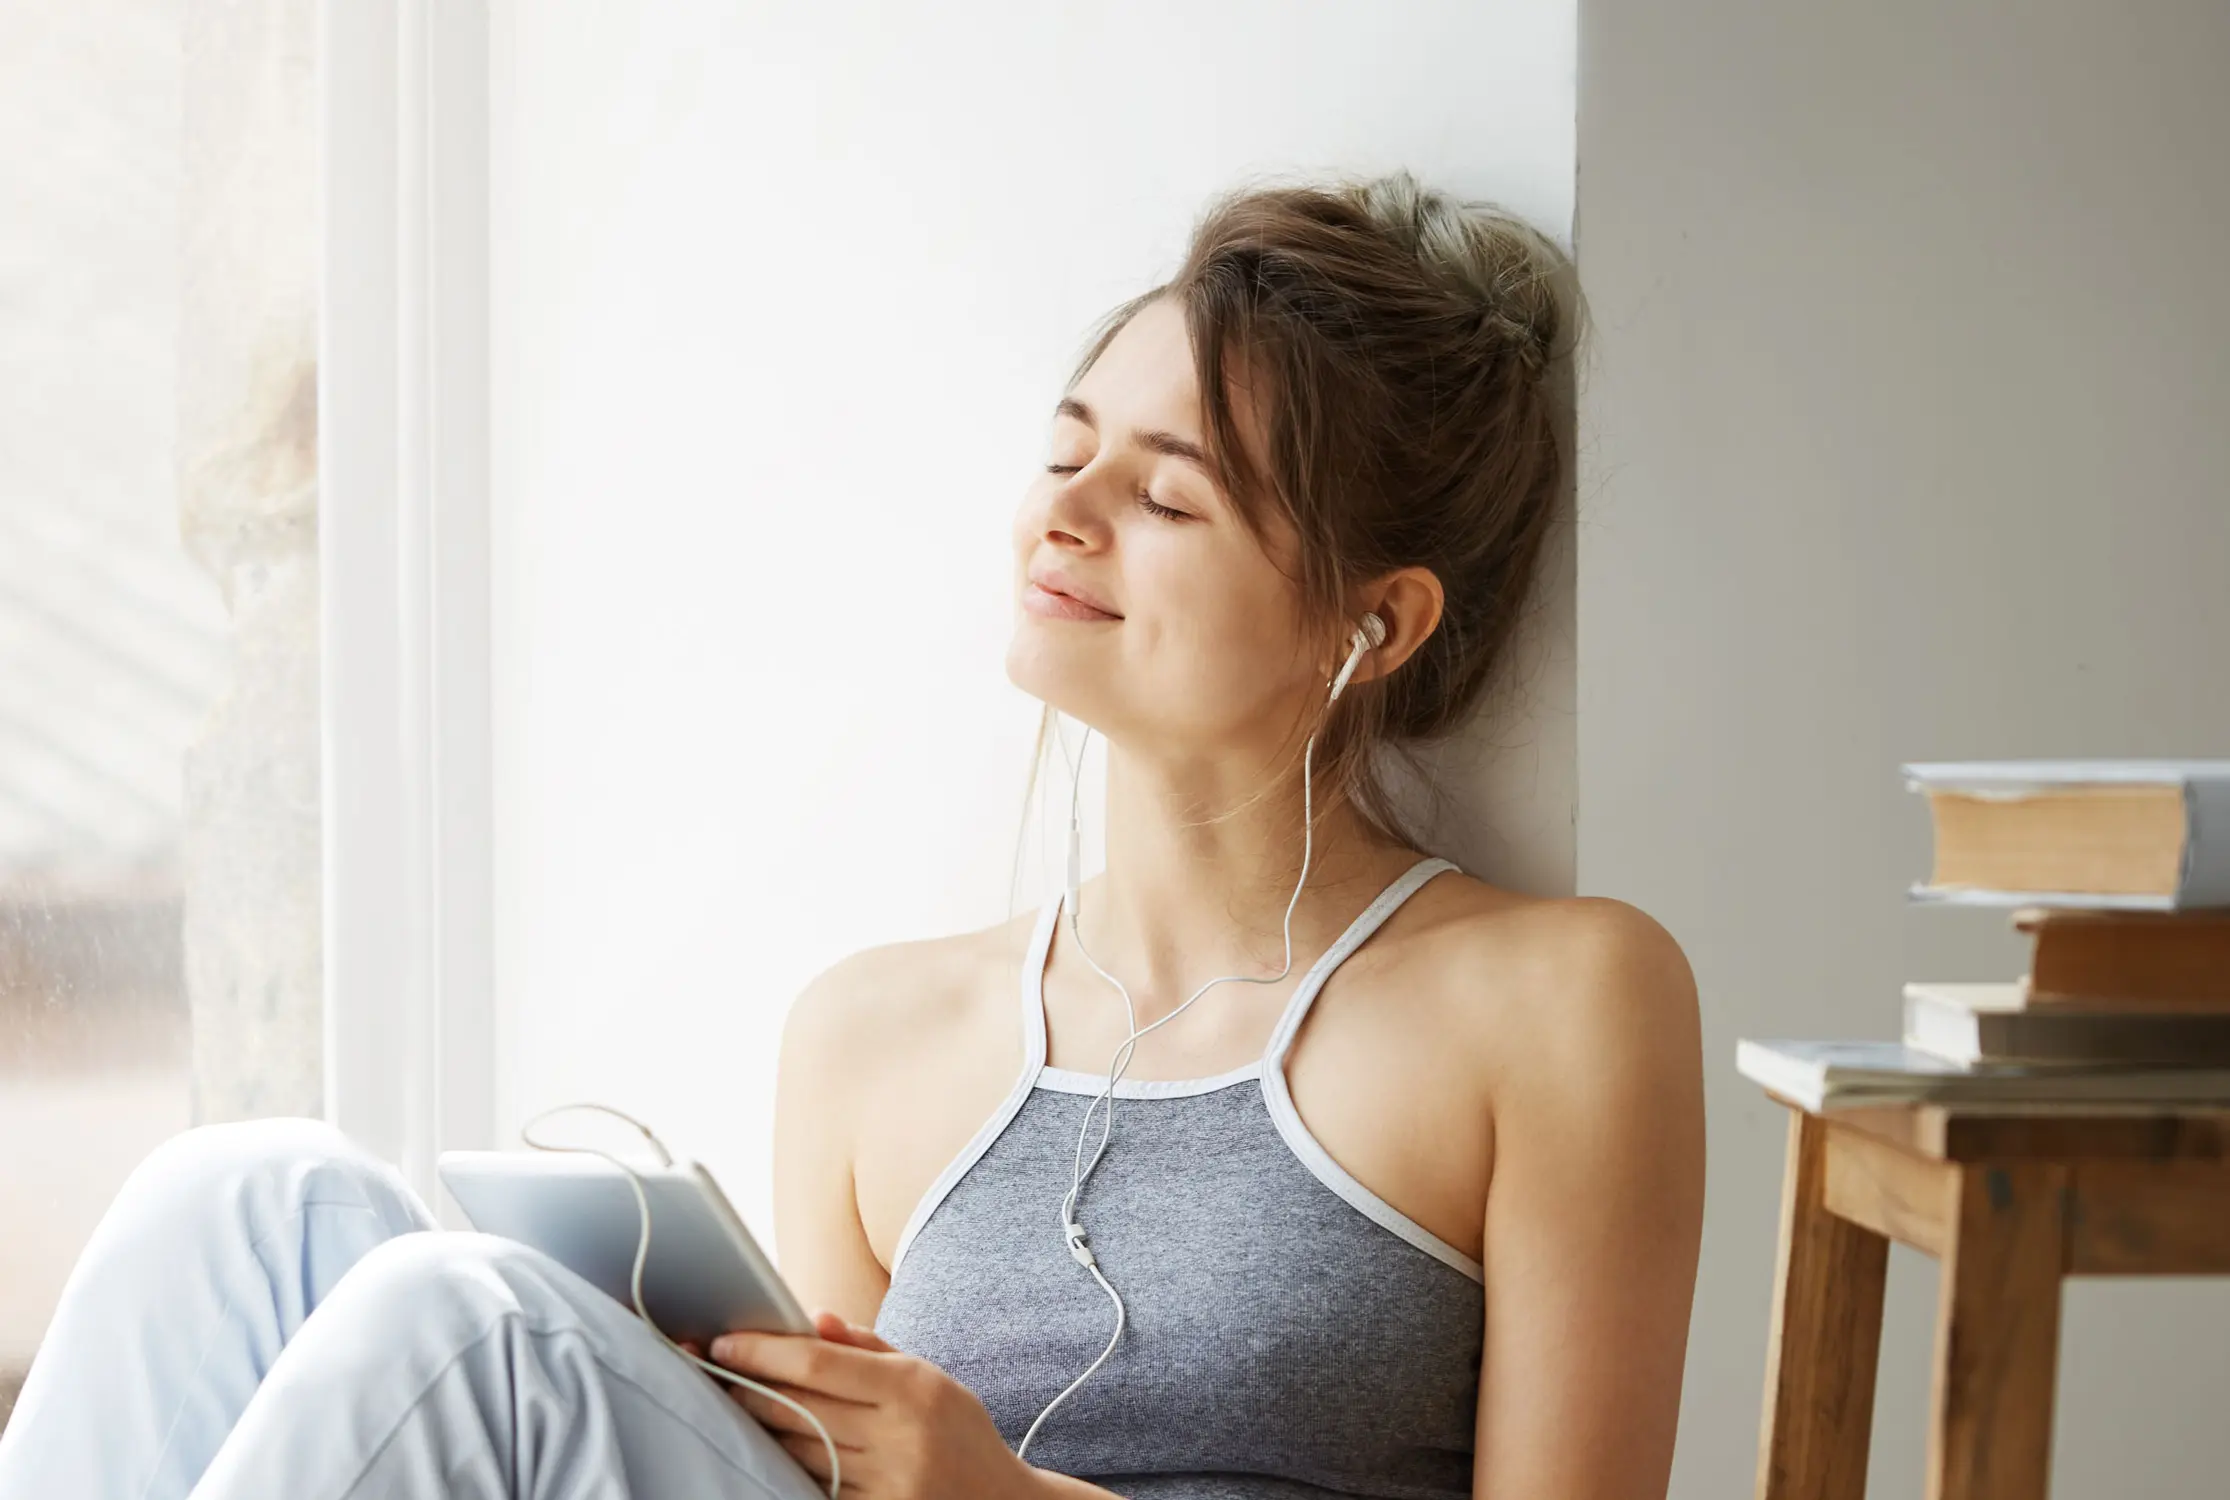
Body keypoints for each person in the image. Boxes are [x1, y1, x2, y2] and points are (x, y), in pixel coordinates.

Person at [0, 169, 1703, 1500]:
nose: (1068, 512)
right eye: (1067, 451)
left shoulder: (1551, 999)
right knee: (241, 1198)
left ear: (1374, 622)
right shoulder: (880, 1033)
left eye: (1168, 495)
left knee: (480, 1332)